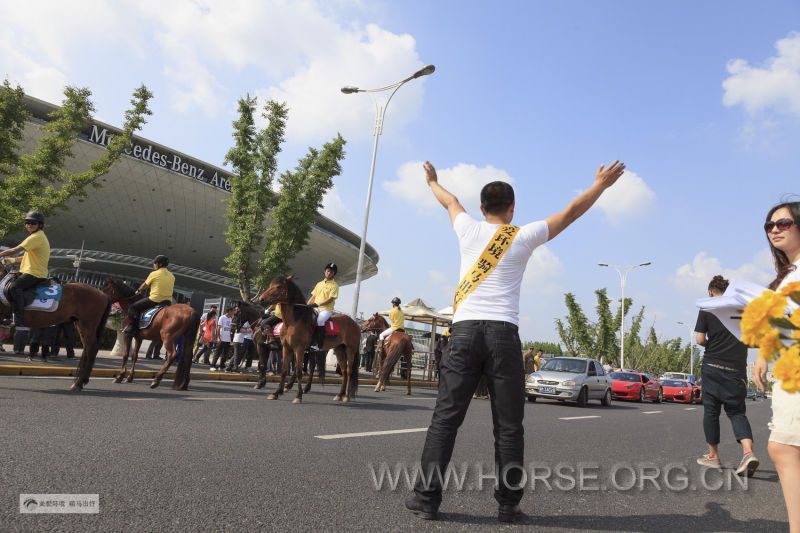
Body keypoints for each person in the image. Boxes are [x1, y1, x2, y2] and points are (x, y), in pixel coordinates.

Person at [406, 159, 625, 522]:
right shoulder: (522, 235)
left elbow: (449, 200)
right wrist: (600, 185)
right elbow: (570, 213)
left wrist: (432, 181)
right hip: (504, 337)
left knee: (445, 420)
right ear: (512, 209)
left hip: (463, 333)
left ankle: (426, 500)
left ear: (481, 208)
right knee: (508, 426)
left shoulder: (467, 229)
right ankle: (508, 505)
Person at [754, 201, 800, 533]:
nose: (774, 229)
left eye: (783, 223)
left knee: (783, 448)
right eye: (769, 225)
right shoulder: (788, 275)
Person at [695, 275, 758, 476]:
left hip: (712, 366)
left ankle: (713, 456)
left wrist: (712, 345)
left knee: (711, 412)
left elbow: (699, 339)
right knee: (737, 412)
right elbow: (752, 339)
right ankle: (748, 453)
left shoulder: (708, 307)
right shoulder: (743, 309)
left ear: (711, 292)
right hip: (736, 370)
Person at [0, 211, 51, 327]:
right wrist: (12, 260)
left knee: (14, 287)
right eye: (27, 222)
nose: (29, 225)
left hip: (35, 273)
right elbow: (28, 256)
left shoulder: (36, 237)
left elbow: (15, 250)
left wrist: (1, 254)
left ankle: (18, 318)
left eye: (33, 223)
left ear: (40, 225)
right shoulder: (37, 237)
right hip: (30, 271)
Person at [124, 255, 174, 335]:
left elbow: (144, 285)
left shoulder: (154, 273)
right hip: (167, 302)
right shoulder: (172, 276)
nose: (153, 265)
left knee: (133, 307)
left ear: (159, 264)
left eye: (155, 263)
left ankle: (133, 327)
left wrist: (139, 290)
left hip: (155, 300)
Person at [307, 262, 339, 348]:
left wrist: (318, 304)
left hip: (326, 309)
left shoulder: (335, 285)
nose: (329, 273)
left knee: (320, 320)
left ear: (334, 274)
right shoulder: (319, 284)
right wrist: (306, 305)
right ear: (325, 271)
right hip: (316, 308)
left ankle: (319, 344)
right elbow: (313, 297)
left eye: (331, 272)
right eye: (328, 271)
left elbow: (330, 299)